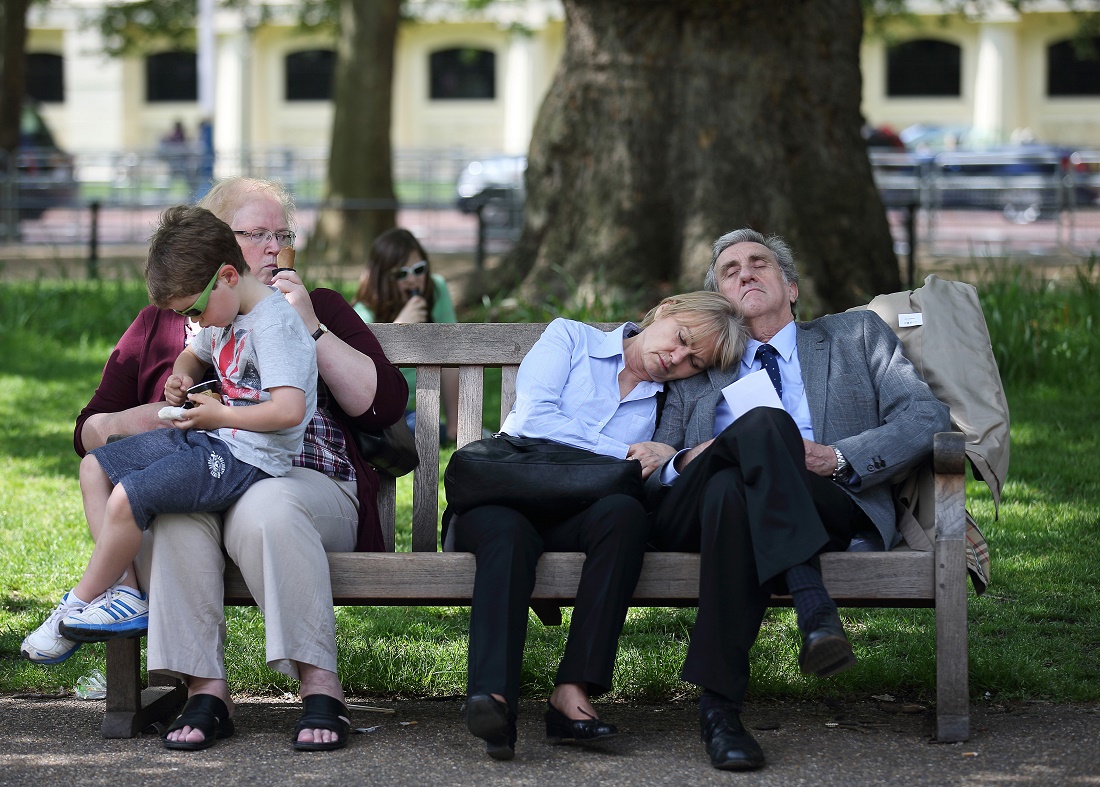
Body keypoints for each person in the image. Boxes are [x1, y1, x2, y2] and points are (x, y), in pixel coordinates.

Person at [67, 177, 408, 752]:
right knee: (172, 512)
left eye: (283, 235)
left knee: (264, 505)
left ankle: (321, 688)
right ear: (217, 248)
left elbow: (382, 406)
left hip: (307, 486)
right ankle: (206, 691)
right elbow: (89, 430)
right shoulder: (167, 322)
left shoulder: (315, 305)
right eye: (258, 235)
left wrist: (309, 328)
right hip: (204, 475)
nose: (276, 248)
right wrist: (142, 419)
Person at [646, 228, 951, 771]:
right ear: (719, 297)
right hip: (696, 508)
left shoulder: (856, 335)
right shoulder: (695, 365)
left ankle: (719, 711)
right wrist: (702, 454)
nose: (744, 272)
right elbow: (653, 465)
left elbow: (926, 417)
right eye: (729, 269)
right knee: (756, 436)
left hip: (826, 496)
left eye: (758, 262)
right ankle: (812, 604)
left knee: (732, 490)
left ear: (790, 286)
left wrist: (837, 458)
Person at [452, 291, 745, 761]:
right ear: (665, 310)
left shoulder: (667, 400)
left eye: (694, 361)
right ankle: (494, 701)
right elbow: (535, 419)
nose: (676, 359)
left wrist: (667, 456)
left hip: (581, 516)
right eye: (682, 339)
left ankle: (571, 694)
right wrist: (626, 455)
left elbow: (660, 476)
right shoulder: (570, 337)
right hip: (508, 494)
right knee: (508, 537)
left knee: (625, 515)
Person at [22, 205, 317, 669]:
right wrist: (180, 377)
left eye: (195, 309)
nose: (196, 320)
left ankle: (76, 603)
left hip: (248, 458)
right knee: (94, 467)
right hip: (214, 439)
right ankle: (124, 593)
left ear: (226, 276)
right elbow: (192, 355)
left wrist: (219, 415)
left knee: (127, 497)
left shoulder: (274, 324)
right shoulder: (224, 314)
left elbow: (289, 409)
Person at [351, 227, 459, 443]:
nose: (412, 280)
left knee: (426, 425)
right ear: (383, 278)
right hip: (379, 410)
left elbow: (452, 354)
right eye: (401, 274)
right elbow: (363, 374)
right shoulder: (364, 312)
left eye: (419, 270)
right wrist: (400, 326)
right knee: (414, 428)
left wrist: (457, 428)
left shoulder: (436, 289)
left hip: (419, 408)